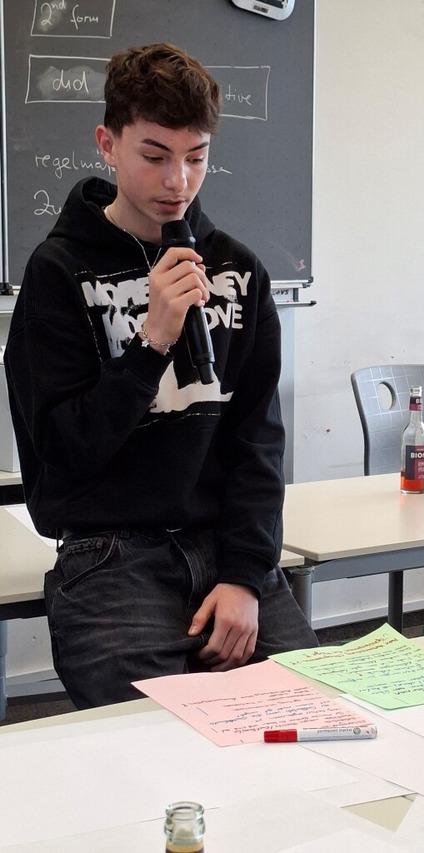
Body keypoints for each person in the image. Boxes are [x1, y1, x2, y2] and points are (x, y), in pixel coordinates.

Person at [4, 43, 318, 709]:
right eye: (154, 154)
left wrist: (244, 575)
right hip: (110, 555)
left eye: (197, 156)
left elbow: (257, 444)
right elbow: (61, 454)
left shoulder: (239, 271)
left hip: (221, 548)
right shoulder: (57, 276)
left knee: (313, 721)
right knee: (153, 747)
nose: (178, 178)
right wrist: (151, 345)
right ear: (108, 144)